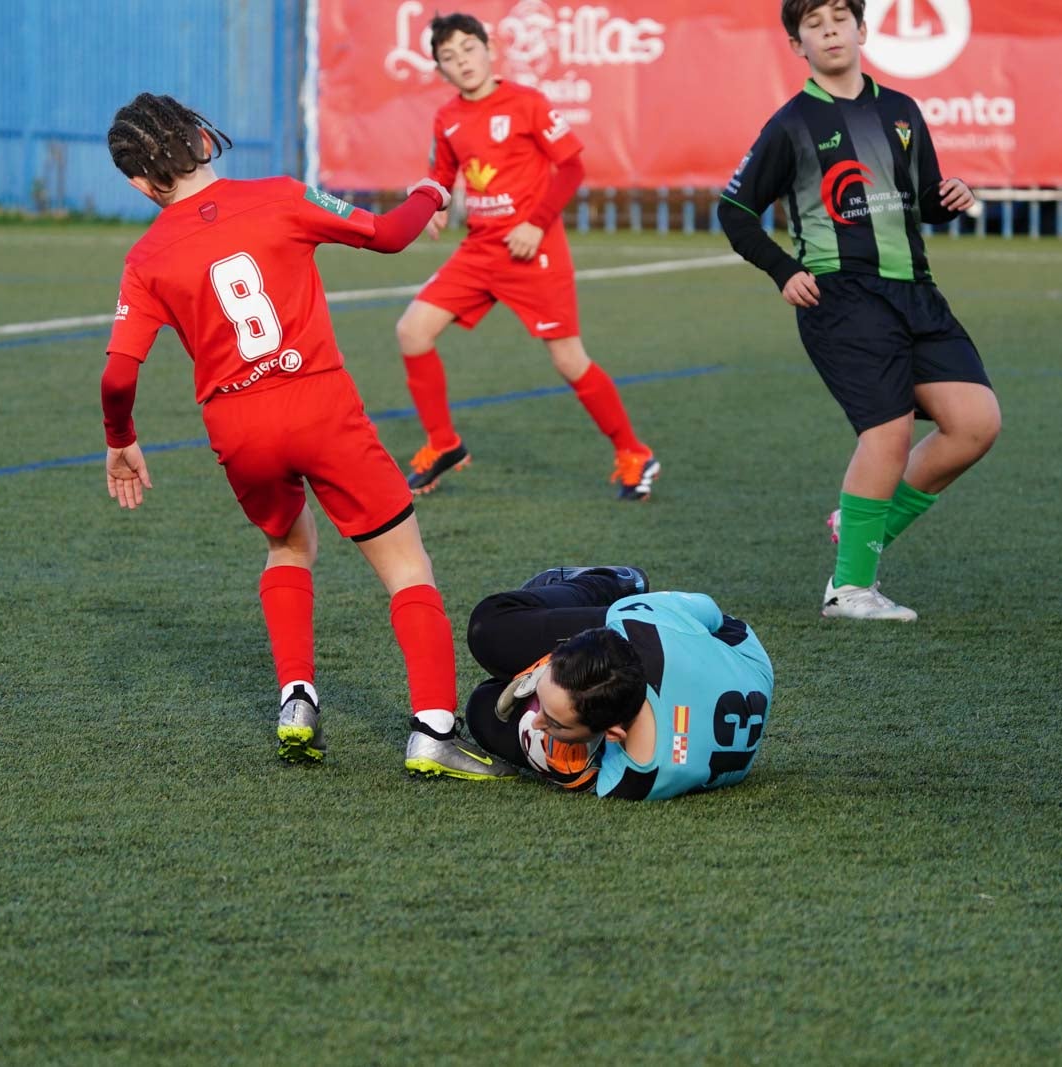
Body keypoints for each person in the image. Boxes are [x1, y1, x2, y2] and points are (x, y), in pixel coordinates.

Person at [98, 92, 512, 780]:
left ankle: (296, 697)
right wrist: (432, 189)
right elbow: (389, 234)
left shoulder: (145, 257)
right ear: (205, 140)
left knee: (288, 543)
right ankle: (434, 729)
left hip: (237, 423)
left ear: (139, 184)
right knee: (407, 565)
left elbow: (117, 374)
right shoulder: (280, 195)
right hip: (319, 402)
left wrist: (121, 437)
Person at [718, 0, 1001, 621]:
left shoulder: (902, 110)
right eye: (813, 26)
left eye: (839, 21)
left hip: (916, 292)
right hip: (840, 297)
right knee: (889, 433)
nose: (829, 32)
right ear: (799, 46)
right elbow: (734, 211)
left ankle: (861, 520)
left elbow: (923, 197)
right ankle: (849, 591)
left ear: (863, 30)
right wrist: (783, 269)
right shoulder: (791, 123)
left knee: (975, 424)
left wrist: (949, 198)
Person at [393, 11, 661, 502]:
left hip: (533, 251)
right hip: (479, 251)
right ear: (440, 70)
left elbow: (572, 168)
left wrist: (535, 223)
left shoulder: (527, 103)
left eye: (468, 49)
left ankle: (632, 451)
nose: (462, 61)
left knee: (568, 359)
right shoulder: (447, 117)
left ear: (489, 48)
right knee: (412, 331)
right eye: (449, 57)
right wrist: (427, 201)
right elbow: (443, 174)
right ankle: (443, 444)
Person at [462, 567, 773, 800]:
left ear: (612, 734)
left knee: (482, 708)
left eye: (554, 721)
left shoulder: (628, 779)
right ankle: (613, 581)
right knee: (488, 632)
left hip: (721, 669)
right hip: (742, 654)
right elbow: (712, 612)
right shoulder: (641, 624)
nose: (539, 720)